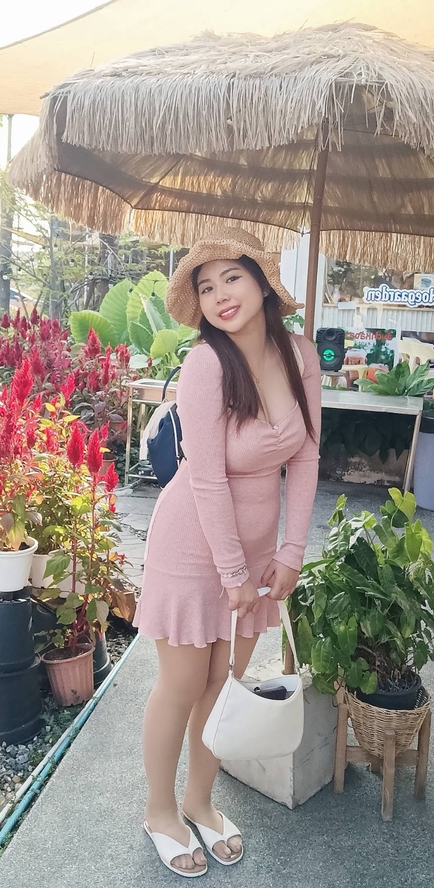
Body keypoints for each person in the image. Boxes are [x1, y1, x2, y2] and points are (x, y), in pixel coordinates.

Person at [133, 226, 321, 878]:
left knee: (224, 683)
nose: (220, 296)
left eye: (231, 278)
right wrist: (233, 571)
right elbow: (208, 477)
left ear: (262, 282)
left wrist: (292, 550)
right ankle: (161, 811)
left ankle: (199, 801)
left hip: (260, 552)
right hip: (193, 544)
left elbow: (306, 456)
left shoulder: (300, 355)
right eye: (206, 287)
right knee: (183, 683)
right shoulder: (206, 364)